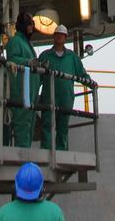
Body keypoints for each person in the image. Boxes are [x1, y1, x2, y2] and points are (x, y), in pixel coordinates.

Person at [38, 24, 90, 152]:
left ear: (65, 37)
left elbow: (81, 73)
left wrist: (91, 83)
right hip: (48, 96)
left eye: (62, 35)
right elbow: (37, 77)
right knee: (47, 125)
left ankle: (61, 152)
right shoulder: (45, 56)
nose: (59, 37)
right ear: (54, 36)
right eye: (57, 34)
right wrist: (31, 94)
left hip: (66, 98)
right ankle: (46, 151)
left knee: (62, 127)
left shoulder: (72, 57)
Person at [6, 11, 40, 147]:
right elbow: (12, 59)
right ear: (23, 26)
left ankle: (26, 155)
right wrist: (28, 62)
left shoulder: (26, 43)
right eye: (30, 24)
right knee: (22, 124)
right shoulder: (15, 41)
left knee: (29, 125)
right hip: (21, 92)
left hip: (30, 92)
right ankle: (22, 157)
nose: (32, 28)